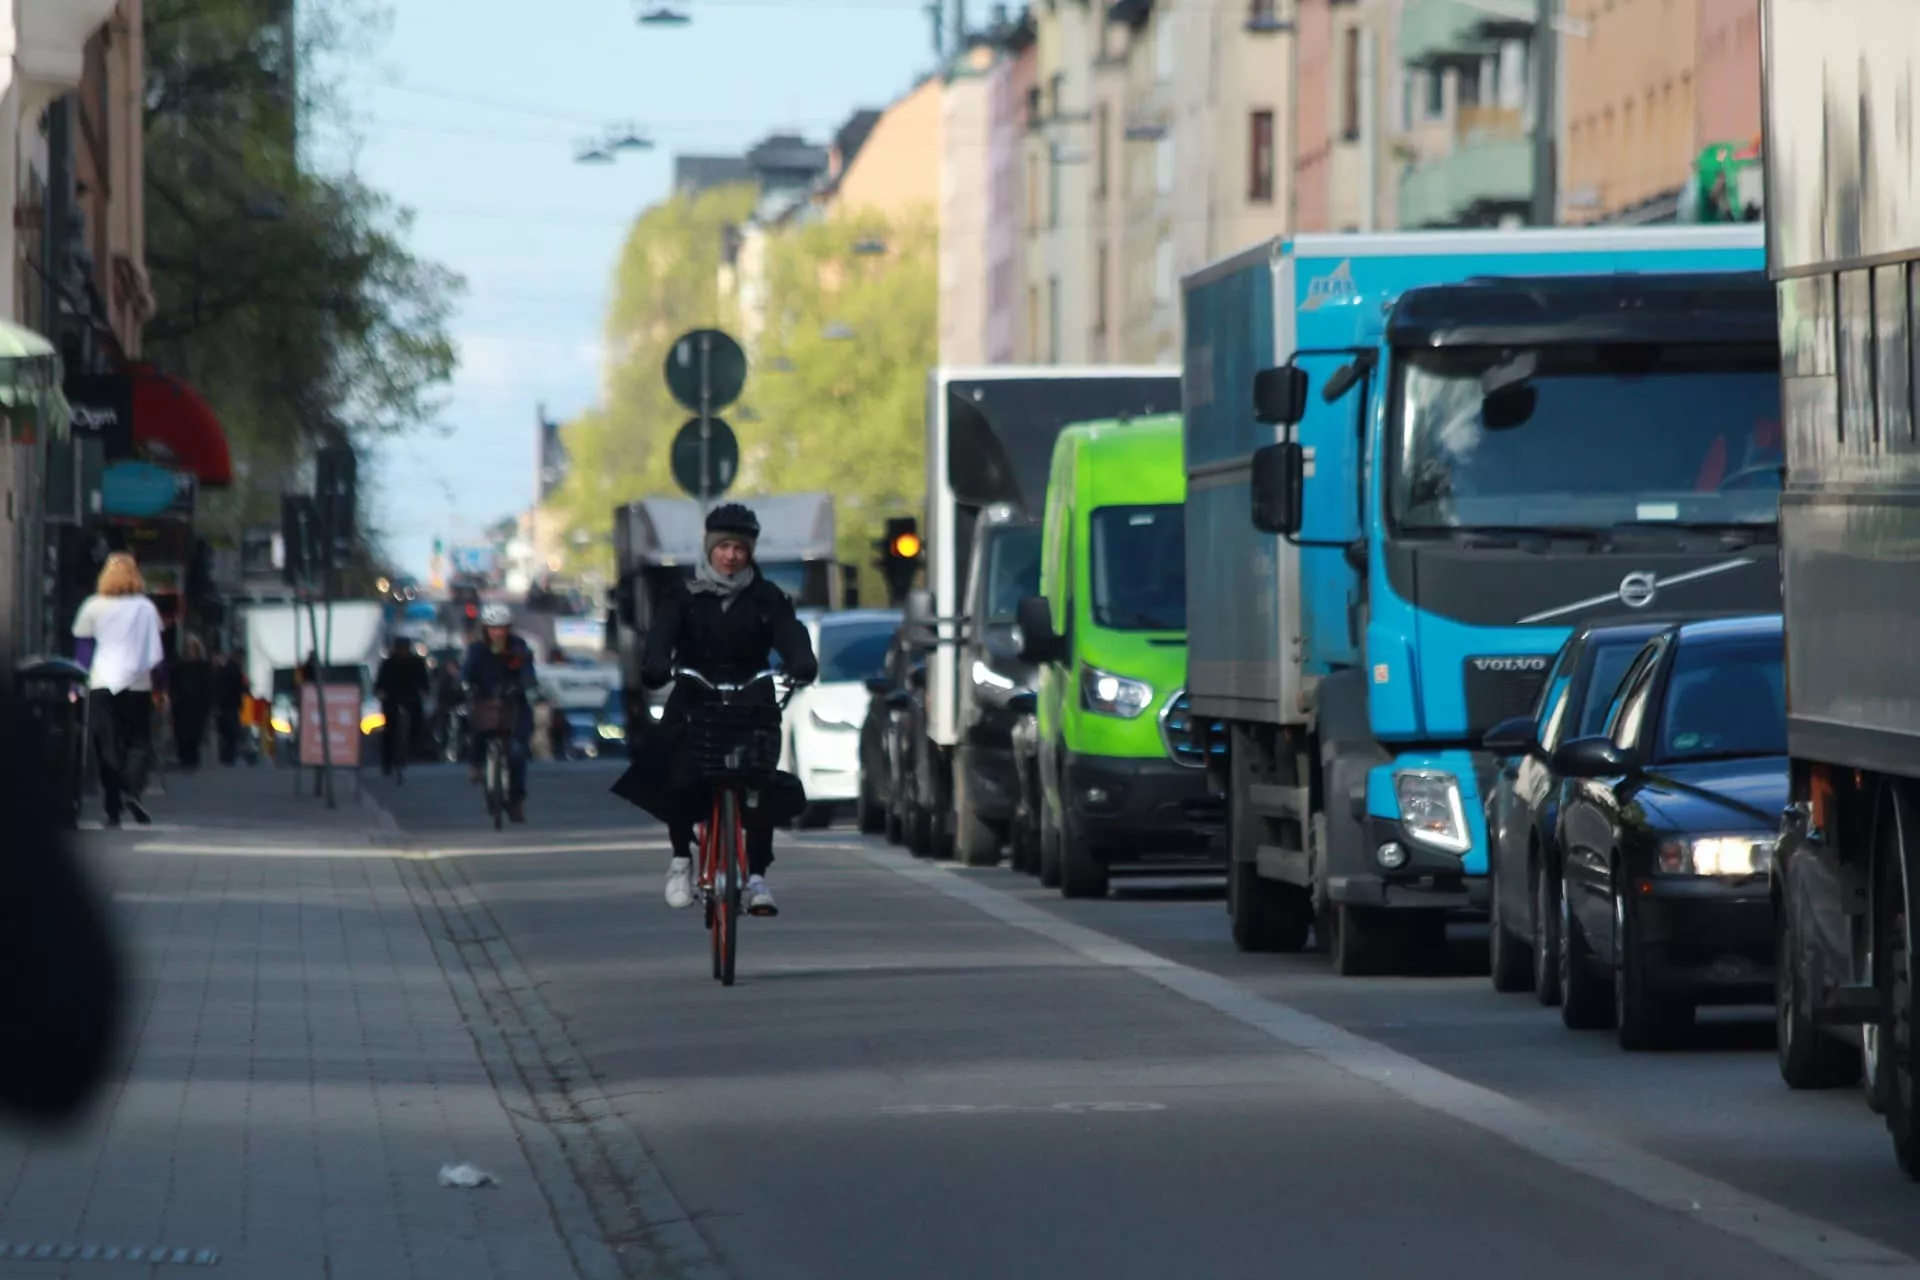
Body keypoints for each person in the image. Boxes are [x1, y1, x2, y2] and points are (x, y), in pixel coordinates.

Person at [612, 503, 818, 917]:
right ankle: (680, 860)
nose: (731, 556)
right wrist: (656, 663)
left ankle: (757, 876)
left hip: (749, 697)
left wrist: (800, 662)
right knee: (678, 774)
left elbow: (790, 635)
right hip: (696, 695)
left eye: (739, 548)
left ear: (750, 552)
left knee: (757, 785)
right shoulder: (683, 596)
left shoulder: (767, 598)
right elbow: (660, 637)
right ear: (709, 549)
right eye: (723, 546)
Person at [71, 552, 165, 827]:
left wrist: (76, 684)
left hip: (102, 683)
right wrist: (162, 686)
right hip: (138, 684)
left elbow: (83, 651)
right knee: (138, 742)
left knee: (106, 746)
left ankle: (113, 808)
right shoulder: (146, 608)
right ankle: (131, 790)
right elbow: (157, 653)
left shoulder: (93, 606)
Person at [463, 603, 537, 822]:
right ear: (485, 629)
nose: (497, 633)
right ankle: (476, 765)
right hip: (486, 703)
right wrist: (466, 686)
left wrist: (527, 686)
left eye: (502, 628)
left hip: (514, 705)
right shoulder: (477, 649)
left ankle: (515, 800)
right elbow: (467, 673)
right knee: (475, 728)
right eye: (492, 628)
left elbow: (527, 672)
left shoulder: (518, 646)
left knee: (517, 751)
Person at [374, 638, 431, 775]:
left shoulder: (416, 663)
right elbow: (380, 683)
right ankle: (387, 763)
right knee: (389, 729)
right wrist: (380, 692)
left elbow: (423, 682)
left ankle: (415, 749)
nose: (402, 652)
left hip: (410, 698)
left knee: (417, 721)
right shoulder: (388, 663)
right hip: (392, 698)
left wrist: (424, 691)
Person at [169, 632, 212, 770]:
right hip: (182, 706)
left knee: (194, 733)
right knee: (182, 733)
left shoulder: (203, 667)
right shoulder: (178, 667)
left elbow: (208, 687)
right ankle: (184, 758)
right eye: (188, 647)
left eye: (192, 647)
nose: (190, 650)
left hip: (197, 706)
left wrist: (207, 705)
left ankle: (192, 759)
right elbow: (173, 684)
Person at [212, 647, 249, 766]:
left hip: (226, 705)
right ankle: (228, 757)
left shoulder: (227, 669)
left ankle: (226, 757)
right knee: (232, 733)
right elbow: (239, 687)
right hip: (230, 705)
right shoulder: (234, 669)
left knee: (228, 733)